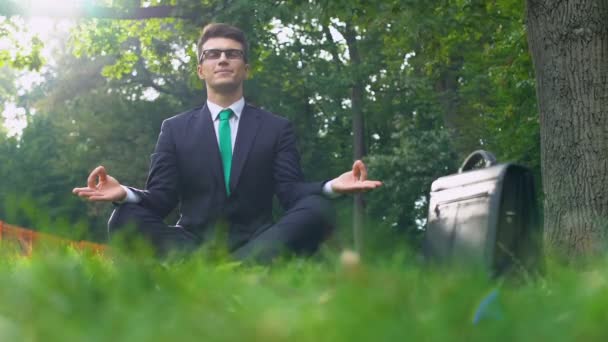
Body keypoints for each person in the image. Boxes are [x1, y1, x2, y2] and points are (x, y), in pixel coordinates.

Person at [72, 23, 382, 261]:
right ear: (201, 69)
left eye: (232, 54)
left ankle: (233, 268)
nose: (223, 59)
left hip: (259, 240)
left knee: (318, 207)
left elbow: (290, 192)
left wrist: (331, 187)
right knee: (124, 217)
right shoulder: (174, 129)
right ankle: (242, 270)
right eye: (213, 54)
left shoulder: (276, 128)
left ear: (245, 68)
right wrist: (124, 193)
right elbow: (161, 199)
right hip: (192, 243)